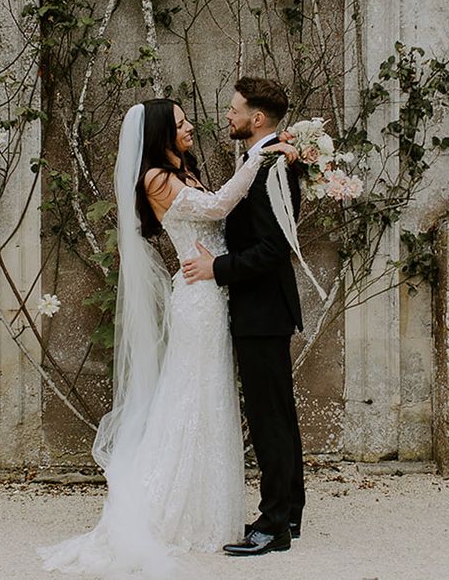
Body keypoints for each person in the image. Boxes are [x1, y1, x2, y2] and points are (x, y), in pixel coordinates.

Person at [39, 98, 296, 577]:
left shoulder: (184, 170)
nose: (191, 126)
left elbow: (220, 216)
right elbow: (219, 205)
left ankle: (214, 509)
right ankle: (172, 507)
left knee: (212, 398)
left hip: (216, 294)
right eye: (180, 123)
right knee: (191, 397)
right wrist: (264, 154)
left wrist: (274, 156)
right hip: (199, 299)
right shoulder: (156, 179)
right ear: (161, 133)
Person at [182, 76, 305, 557]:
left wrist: (218, 268)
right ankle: (289, 513)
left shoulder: (272, 164)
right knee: (279, 415)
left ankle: (272, 525)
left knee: (269, 417)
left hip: (263, 310)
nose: (228, 117)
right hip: (265, 309)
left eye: (235, 110)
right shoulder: (269, 156)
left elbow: (274, 249)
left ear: (257, 118)